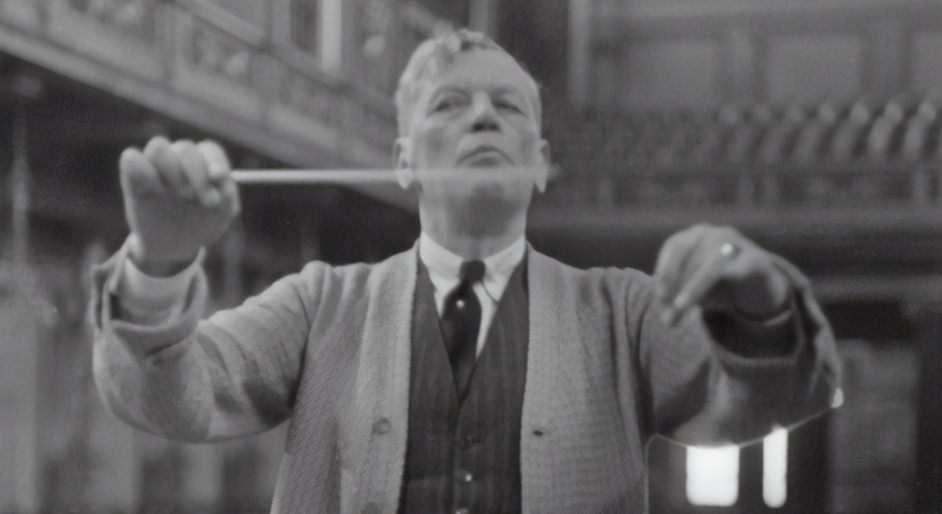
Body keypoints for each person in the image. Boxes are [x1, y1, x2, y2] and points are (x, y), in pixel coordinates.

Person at [92, 30, 840, 514]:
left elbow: (754, 402)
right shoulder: (320, 305)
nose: (484, 118)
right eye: (451, 104)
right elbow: (175, 398)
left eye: (509, 108)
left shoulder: (624, 313)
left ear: (541, 164)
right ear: (403, 160)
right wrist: (159, 262)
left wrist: (761, 296)